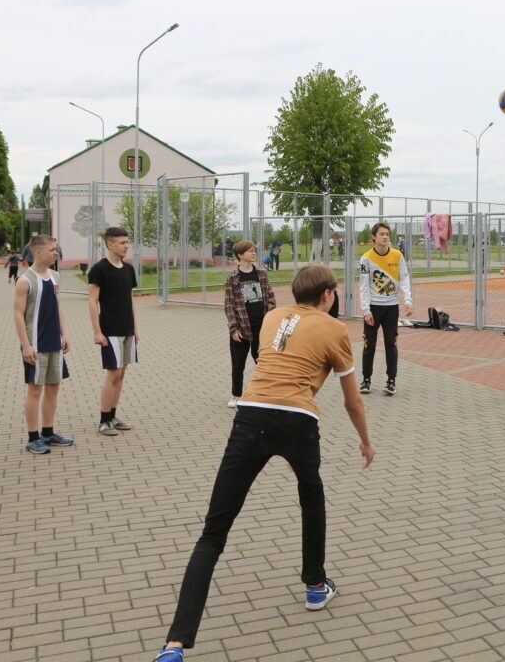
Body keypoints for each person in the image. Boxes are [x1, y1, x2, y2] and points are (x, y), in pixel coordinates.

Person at [151, 265, 375, 662]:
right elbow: (352, 400)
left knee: (212, 534)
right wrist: (366, 442)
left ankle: (174, 645)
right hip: (298, 420)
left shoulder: (273, 317)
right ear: (327, 295)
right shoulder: (336, 329)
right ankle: (315, 585)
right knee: (311, 497)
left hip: (250, 416)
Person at [12, 235, 73, 455]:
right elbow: (18, 314)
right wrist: (26, 345)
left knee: (53, 386)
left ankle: (48, 433)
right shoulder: (24, 280)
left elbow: (58, 307)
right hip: (35, 344)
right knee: (35, 389)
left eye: (56, 249)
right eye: (52, 249)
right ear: (38, 253)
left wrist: (65, 334)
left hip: (54, 342)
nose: (56, 253)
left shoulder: (55, 276)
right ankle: (33, 438)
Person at [88, 227, 139, 437]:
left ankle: (113, 416)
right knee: (114, 373)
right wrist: (97, 332)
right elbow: (92, 301)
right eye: (122, 243)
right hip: (109, 329)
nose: (126, 246)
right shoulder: (99, 269)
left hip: (127, 329)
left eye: (127, 242)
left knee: (122, 373)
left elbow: (130, 299)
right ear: (110, 244)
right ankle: (103, 421)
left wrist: (135, 328)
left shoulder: (128, 269)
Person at [358, 223, 413, 396]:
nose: (385, 237)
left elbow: (404, 278)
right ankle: (366, 380)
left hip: (391, 308)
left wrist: (407, 299)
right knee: (369, 345)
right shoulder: (366, 258)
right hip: (373, 308)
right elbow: (364, 286)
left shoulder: (397, 255)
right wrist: (366, 310)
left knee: (391, 344)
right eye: (381, 234)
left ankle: (391, 381)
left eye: (387, 234)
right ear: (374, 237)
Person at [223, 241, 276, 408]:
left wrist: (269, 319)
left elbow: (271, 298)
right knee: (238, 363)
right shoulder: (233, 278)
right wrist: (234, 328)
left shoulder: (261, 274)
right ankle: (236, 395)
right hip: (242, 328)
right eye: (250, 251)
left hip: (261, 327)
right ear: (240, 255)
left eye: (254, 251)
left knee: (263, 361)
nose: (254, 253)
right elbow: (229, 305)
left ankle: (265, 393)